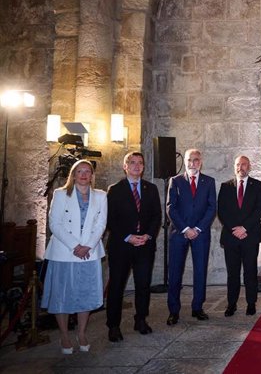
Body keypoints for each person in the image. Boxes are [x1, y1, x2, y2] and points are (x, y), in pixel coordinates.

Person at [42, 160, 107, 354]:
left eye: (87, 171)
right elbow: (54, 223)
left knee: (84, 294)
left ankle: (81, 332)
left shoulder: (101, 196)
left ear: (92, 175)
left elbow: (101, 223)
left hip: (89, 251)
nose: (84, 174)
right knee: (62, 295)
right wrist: (75, 246)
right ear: (73, 174)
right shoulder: (61, 194)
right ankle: (64, 335)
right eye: (80, 171)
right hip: (64, 252)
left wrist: (87, 245)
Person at [106, 151, 162, 342]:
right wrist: (128, 237)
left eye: (140, 163)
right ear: (125, 166)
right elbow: (110, 219)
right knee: (116, 286)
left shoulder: (151, 189)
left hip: (144, 246)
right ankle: (113, 326)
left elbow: (157, 216)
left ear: (144, 167)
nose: (136, 166)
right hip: (121, 246)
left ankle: (141, 319)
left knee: (143, 285)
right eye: (132, 162)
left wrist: (148, 235)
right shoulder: (115, 189)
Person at [166, 149, 217, 325]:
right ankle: (173, 311)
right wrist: (186, 229)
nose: (192, 163)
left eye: (196, 160)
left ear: (200, 162)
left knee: (200, 271)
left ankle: (198, 307)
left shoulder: (209, 182)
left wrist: (198, 229)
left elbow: (212, 208)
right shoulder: (176, 181)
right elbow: (170, 207)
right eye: (189, 160)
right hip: (179, 233)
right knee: (174, 273)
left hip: (200, 234)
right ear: (186, 162)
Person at [217, 155, 261, 317]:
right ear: (234, 167)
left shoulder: (258, 186)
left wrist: (244, 227)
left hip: (249, 236)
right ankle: (232, 304)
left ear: (249, 167)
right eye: (238, 164)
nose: (241, 167)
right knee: (232, 273)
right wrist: (234, 229)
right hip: (231, 237)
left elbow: (260, 209)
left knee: (250, 271)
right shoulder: (226, 186)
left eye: (244, 164)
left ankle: (251, 303)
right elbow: (221, 211)